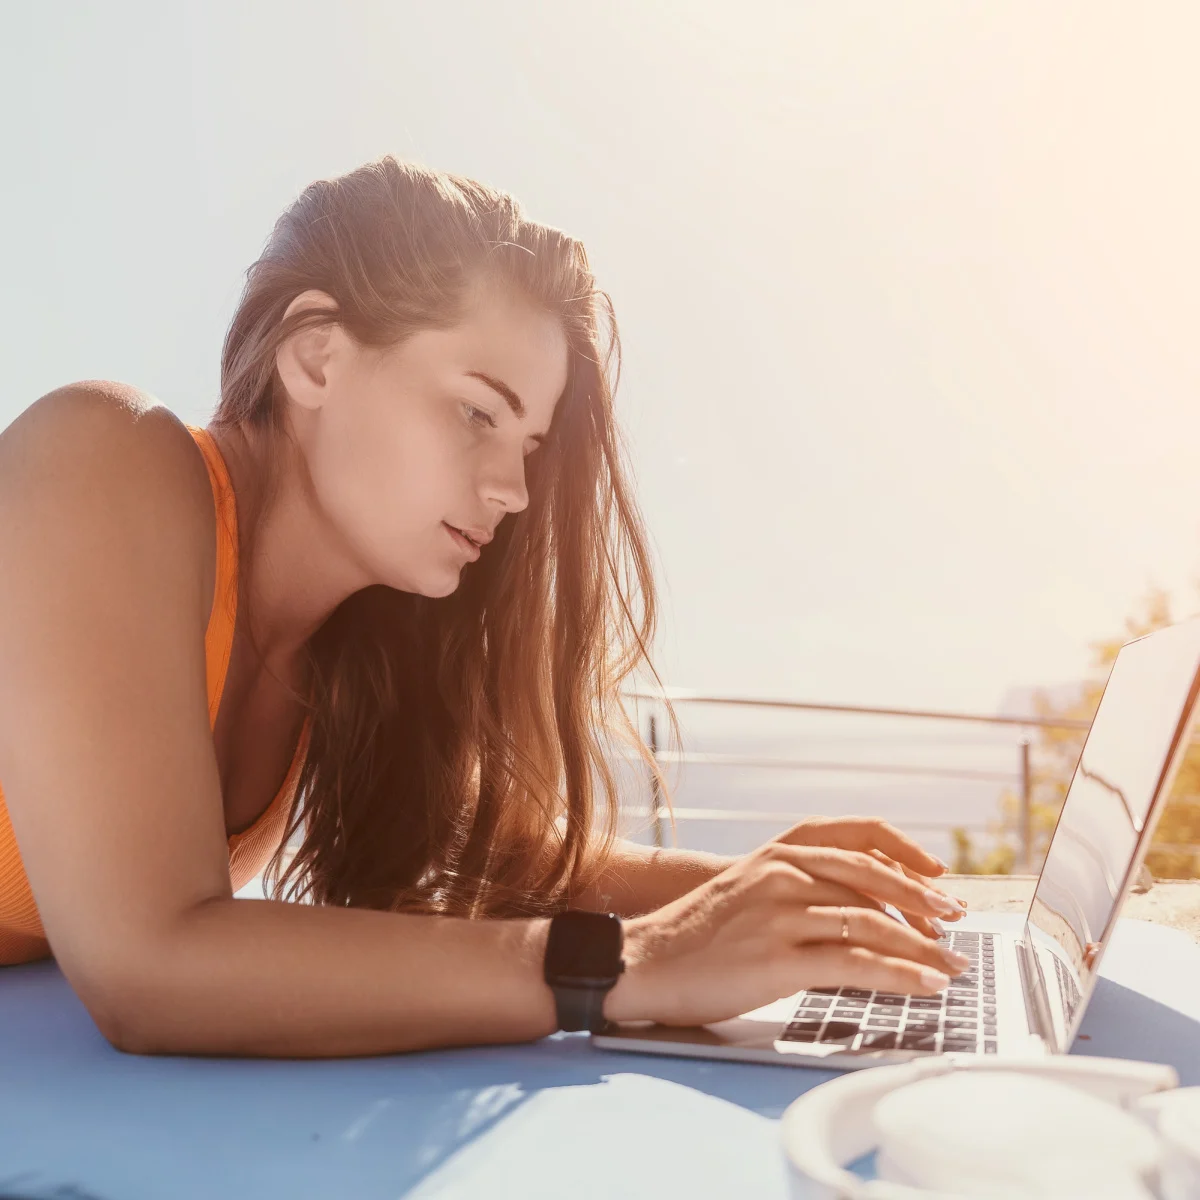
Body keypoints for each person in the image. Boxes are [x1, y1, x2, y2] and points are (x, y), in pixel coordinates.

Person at [0, 157, 969, 1058]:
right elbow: (149, 962)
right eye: (477, 413)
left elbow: (503, 852)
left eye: (530, 445)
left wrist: (763, 896)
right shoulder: (101, 458)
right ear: (316, 358)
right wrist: (628, 964)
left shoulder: (342, 647)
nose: (513, 491)